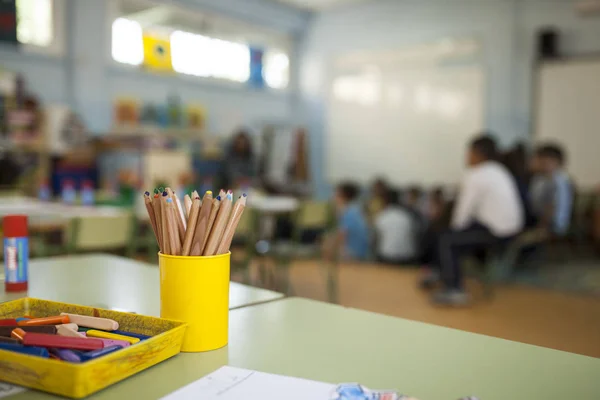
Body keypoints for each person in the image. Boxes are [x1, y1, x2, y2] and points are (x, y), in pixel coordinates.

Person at [422, 135, 524, 306]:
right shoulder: (500, 171)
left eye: (468, 153)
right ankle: (440, 272)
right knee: (448, 234)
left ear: (477, 153)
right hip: (511, 230)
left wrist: (451, 230)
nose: (466, 157)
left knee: (446, 239)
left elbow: (461, 216)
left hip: (496, 233)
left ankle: (455, 290)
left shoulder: (476, 174)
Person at [533, 144, 573, 236]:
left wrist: (541, 228)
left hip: (552, 229)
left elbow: (551, 208)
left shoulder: (556, 181)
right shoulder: (544, 178)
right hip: (545, 224)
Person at [323, 182, 369, 261]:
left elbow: (341, 237)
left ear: (342, 196)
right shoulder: (354, 209)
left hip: (354, 253)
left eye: (336, 194)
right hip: (359, 250)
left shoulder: (348, 212)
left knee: (327, 246)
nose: (333, 197)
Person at [374, 189, 418, 265]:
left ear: (385, 201)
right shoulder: (407, 216)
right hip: (407, 257)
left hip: (387, 257)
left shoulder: (382, 216)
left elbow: (376, 239)